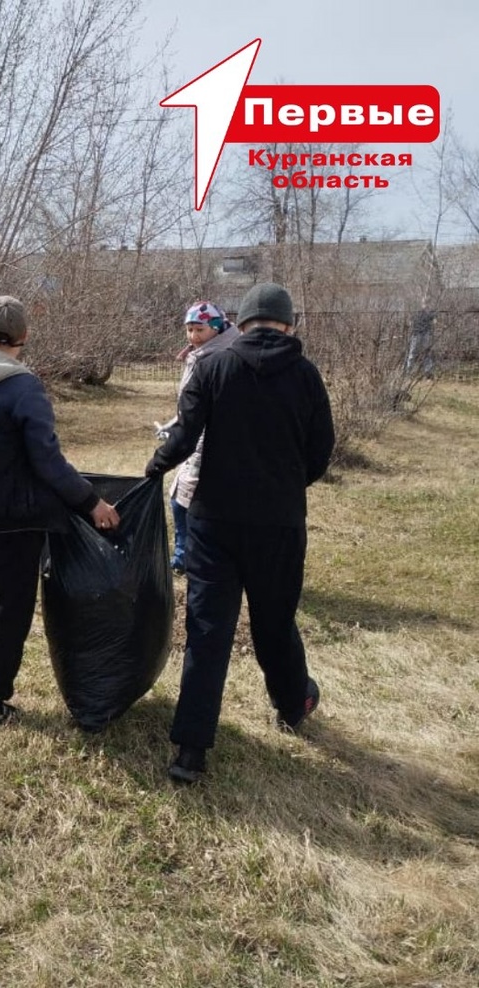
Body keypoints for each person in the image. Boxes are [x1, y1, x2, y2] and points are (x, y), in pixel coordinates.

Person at [145, 282, 334, 784]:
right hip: (280, 524)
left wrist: (153, 468)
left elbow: (183, 437)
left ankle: (190, 751)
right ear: (289, 325)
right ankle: (294, 704)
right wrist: (287, 486)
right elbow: (320, 452)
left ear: (242, 323)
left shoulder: (212, 366)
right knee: (275, 621)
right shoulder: (307, 376)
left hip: (213, 523)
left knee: (208, 633)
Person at [0, 296, 119, 727]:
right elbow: (48, 461)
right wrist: (91, 501)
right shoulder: (24, 387)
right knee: (11, 603)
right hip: (14, 517)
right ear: (24, 338)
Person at [154, 301, 236, 575]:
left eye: (198, 329)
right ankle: (187, 558)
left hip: (207, 442)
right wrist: (172, 425)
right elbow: (190, 404)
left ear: (216, 328)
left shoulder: (219, 358)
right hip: (193, 436)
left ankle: (185, 559)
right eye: (189, 330)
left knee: (183, 502)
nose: (192, 336)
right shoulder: (199, 354)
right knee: (182, 500)